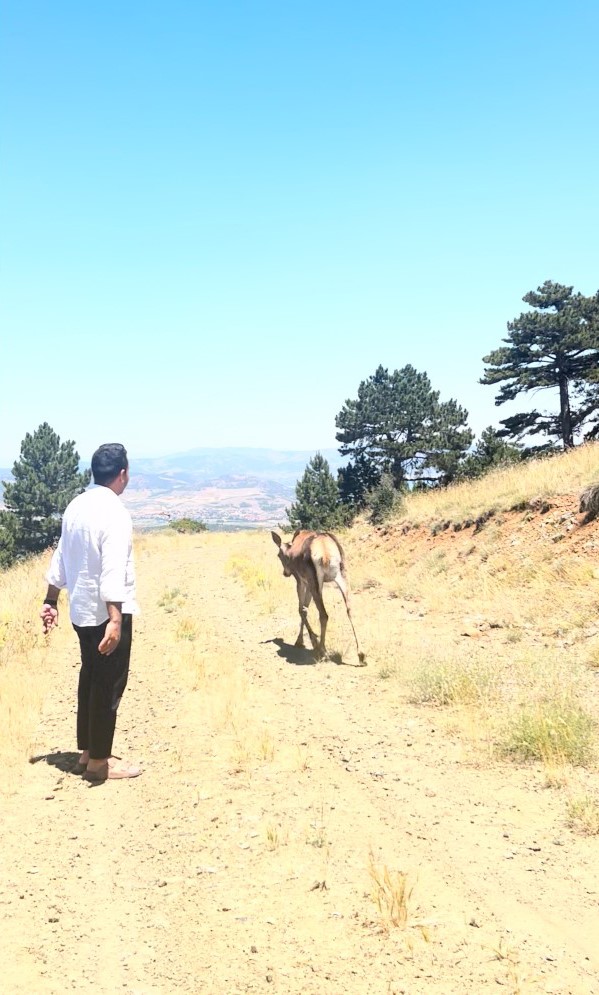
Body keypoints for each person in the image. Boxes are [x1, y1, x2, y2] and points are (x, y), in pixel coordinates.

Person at [41, 443, 141, 782]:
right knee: (108, 684)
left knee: (90, 677)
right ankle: (100, 762)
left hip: (80, 611)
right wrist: (115, 618)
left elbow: (60, 556)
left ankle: (87, 751)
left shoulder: (76, 505)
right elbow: (113, 569)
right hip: (105, 614)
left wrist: (51, 599)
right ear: (123, 474)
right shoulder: (114, 512)